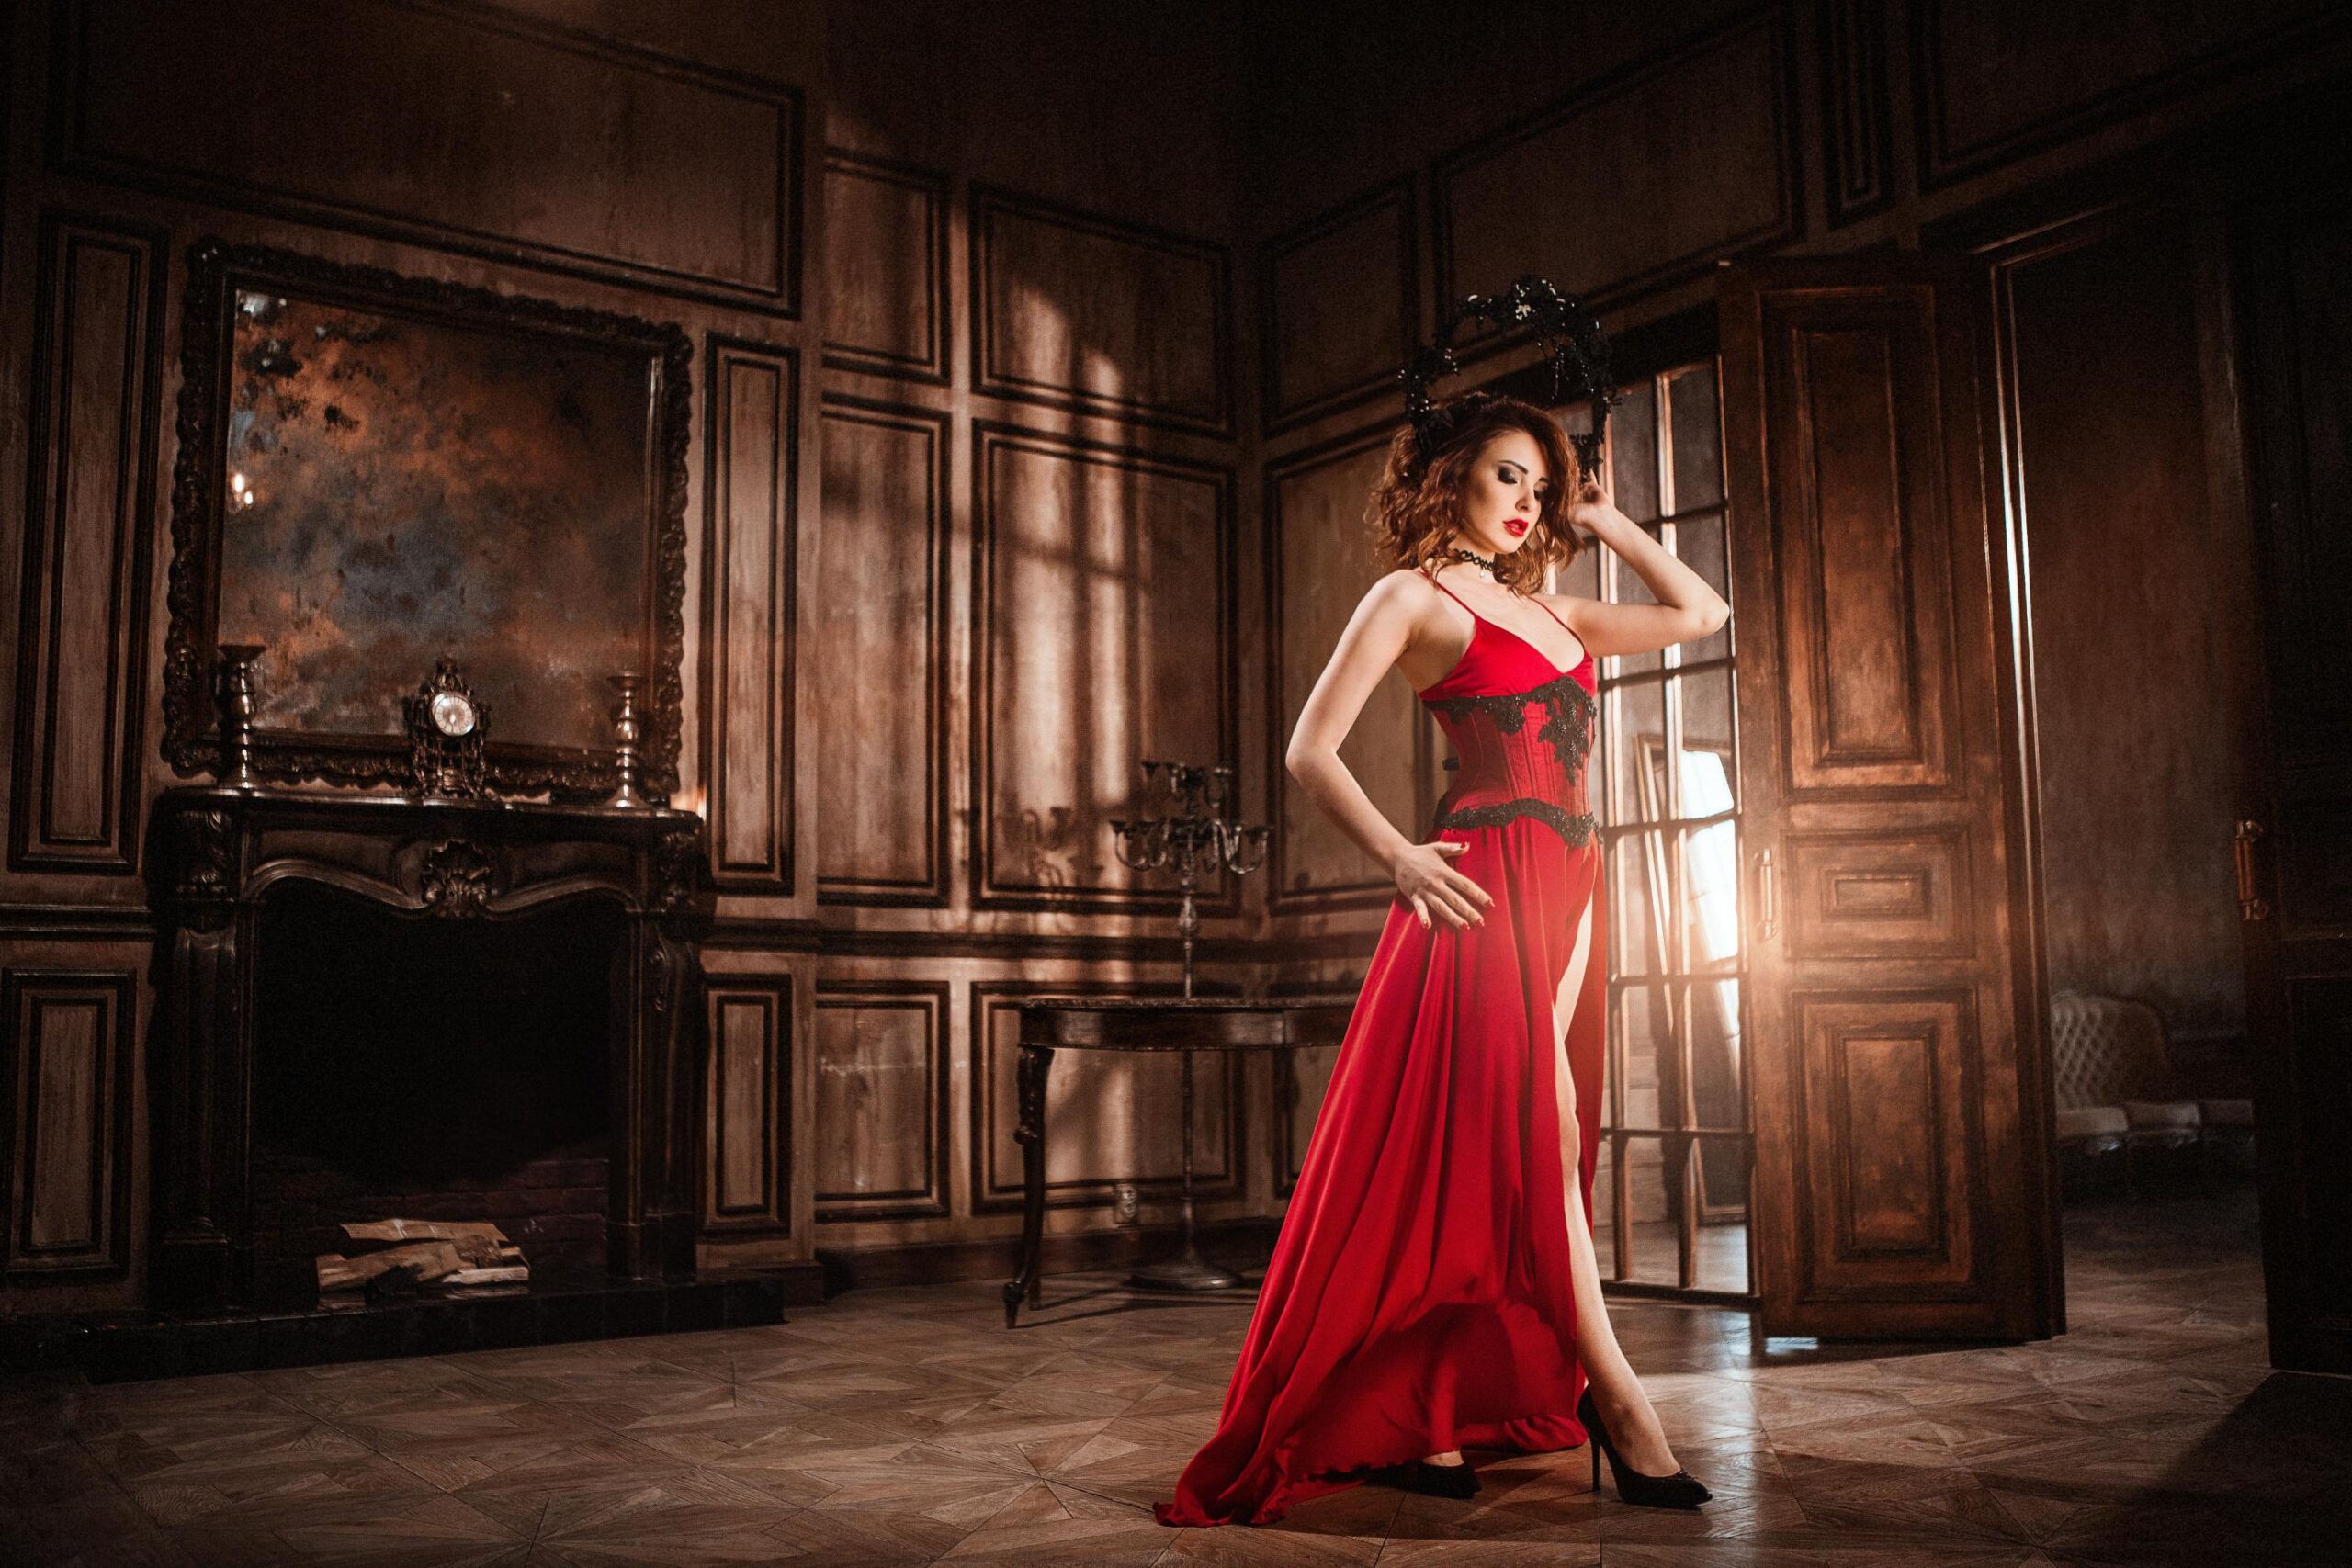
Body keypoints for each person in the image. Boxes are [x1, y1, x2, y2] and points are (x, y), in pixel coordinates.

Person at [1153, 388, 1729, 1528]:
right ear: (1450, 474)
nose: (1527, 499)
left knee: (1529, 1136)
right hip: (1482, 888)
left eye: (1540, 482)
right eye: (1507, 474)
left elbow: (1701, 612)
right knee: (1533, 1128)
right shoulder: (1409, 599)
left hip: (1572, 879)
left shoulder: (1558, 613)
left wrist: (1607, 521)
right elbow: (1308, 748)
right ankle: (1620, 1404)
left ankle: (1429, 1416)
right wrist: (1399, 857)